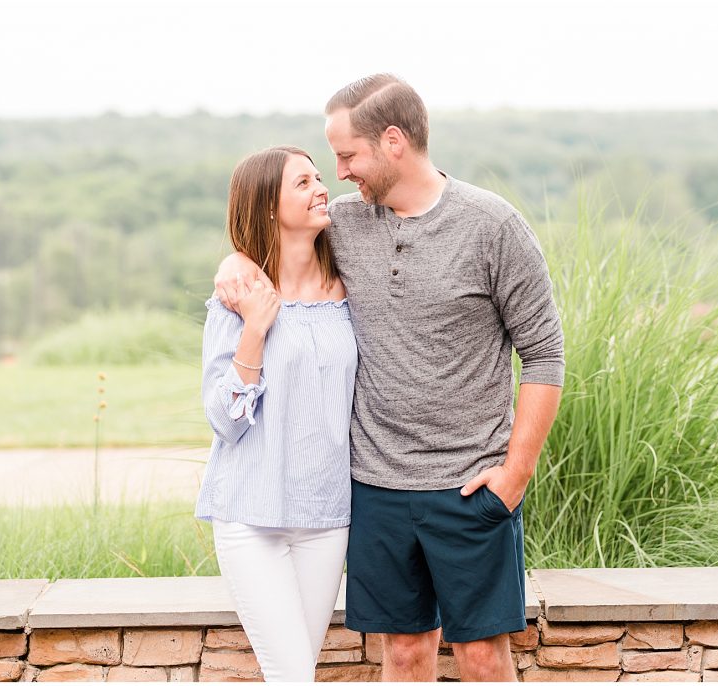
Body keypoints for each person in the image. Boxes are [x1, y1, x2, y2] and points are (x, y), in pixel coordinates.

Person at [214, 74, 565, 682]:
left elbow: (544, 355)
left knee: (483, 658)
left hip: (469, 487)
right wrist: (235, 261)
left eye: (347, 155)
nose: (340, 172)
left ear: (393, 142)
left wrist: (515, 474)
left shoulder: (493, 226)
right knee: (402, 652)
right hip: (374, 491)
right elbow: (273, 243)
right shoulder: (343, 227)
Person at [197, 145, 355, 682]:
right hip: (251, 514)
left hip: (326, 516)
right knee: (293, 675)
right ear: (268, 206)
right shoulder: (237, 298)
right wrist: (256, 330)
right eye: (302, 183)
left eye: (318, 178)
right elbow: (225, 420)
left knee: (295, 674)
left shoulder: (348, 289)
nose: (321, 188)